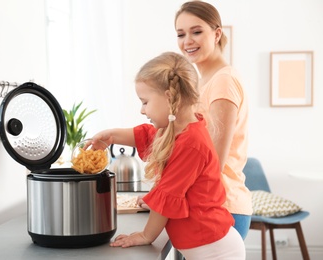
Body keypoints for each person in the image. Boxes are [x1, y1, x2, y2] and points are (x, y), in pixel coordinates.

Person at [90, 52, 245, 259]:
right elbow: (148, 136)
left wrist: (146, 235)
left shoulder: (191, 144)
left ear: (169, 98)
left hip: (217, 252)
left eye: (145, 102)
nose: (142, 110)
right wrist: (110, 136)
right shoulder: (179, 132)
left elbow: (167, 195)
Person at [173, 0, 252, 240]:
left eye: (197, 32)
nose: (188, 41)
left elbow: (213, 162)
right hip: (209, 205)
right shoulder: (204, 82)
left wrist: (168, 195)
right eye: (181, 34)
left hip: (221, 207)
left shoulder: (222, 81)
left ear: (217, 34)